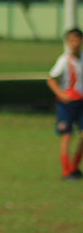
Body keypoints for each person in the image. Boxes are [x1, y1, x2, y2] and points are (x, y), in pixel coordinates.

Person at [47, 27, 83, 180]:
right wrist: (61, 94)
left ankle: (75, 167)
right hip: (67, 104)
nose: (74, 43)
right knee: (66, 135)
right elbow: (51, 78)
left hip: (81, 101)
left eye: (77, 40)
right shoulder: (64, 60)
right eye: (71, 40)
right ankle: (66, 169)